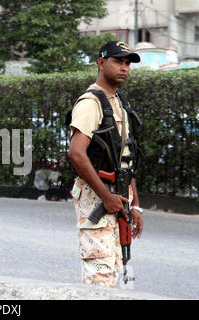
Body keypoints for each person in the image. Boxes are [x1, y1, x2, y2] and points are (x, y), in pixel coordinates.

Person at [67, 41, 144, 288]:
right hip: (96, 199)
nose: (124, 68)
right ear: (101, 63)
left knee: (117, 272)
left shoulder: (120, 102)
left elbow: (126, 159)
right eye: (117, 61)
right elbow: (76, 154)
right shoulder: (91, 102)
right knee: (99, 278)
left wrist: (136, 206)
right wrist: (106, 197)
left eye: (127, 63)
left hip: (119, 197)